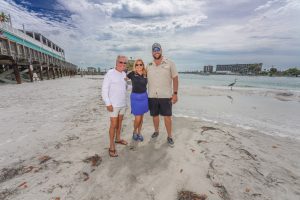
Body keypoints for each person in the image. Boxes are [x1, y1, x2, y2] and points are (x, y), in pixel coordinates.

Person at [146, 43, 179, 147]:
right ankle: (156, 131)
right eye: (154, 50)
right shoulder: (149, 65)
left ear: (161, 51)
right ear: (152, 52)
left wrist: (175, 94)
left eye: (158, 49)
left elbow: (175, 78)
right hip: (152, 96)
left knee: (167, 117)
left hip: (166, 96)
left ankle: (169, 136)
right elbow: (142, 78)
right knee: (154, 116)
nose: (156, 51)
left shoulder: (170, 63)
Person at [102, 55, 128, 157]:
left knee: (120, 122)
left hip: (122, 104)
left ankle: (118, 139)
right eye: (121, 62)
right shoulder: (110, 73)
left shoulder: (124, 74)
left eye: (125, 63)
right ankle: (111, 145)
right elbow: (104, 90)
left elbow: (126, 87)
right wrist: (108, 103)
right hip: (113, 105)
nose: (123, 64)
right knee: (113, 125)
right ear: (116, 62)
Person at [126, 59, 148, 142]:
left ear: (143, 65)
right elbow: (122, 79)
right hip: (135, 98)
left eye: (141, 64)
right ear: (135, 66)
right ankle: (134, 132)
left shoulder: (146, 74)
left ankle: (139, 133)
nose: (139, 66)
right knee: (137, 118)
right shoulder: (132, 73)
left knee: (141, 118)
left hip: (144, 97)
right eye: (137, 65)